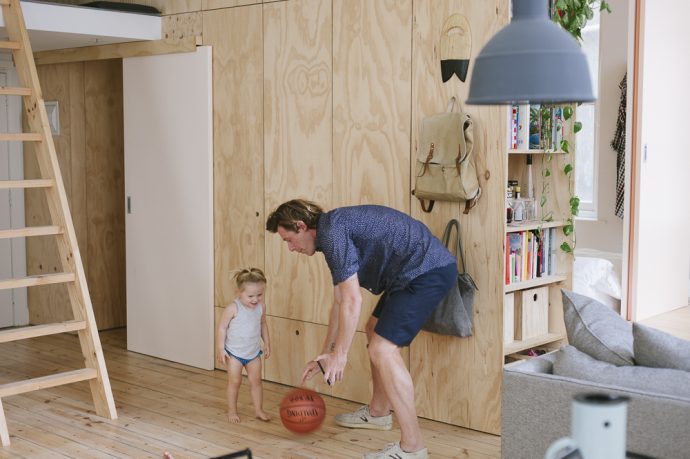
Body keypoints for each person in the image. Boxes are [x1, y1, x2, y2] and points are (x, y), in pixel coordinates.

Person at [266, 200, 457, 459]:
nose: (290, 248)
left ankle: (413, 447)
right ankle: (379, 413)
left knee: (383, 350)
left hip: (426, 271)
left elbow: (353, 301)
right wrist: (327, 354)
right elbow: (339, 301)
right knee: (374, 328)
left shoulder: (333, 233)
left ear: (301, 226)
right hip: (409, 274)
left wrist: (341, 355)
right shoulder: (330, 232)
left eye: (289, 239)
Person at [216, 267, 271, 423]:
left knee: (257, 382)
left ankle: (259, 410)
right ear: (239, 292)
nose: (255, 299)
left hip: (253, 353)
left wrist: (267, 342)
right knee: (235, 382)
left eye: (259, 295)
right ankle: (232, 411)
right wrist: (220, 348)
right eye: (250, 296)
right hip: (234, 354)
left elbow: (263, 324)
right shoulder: (233, 308)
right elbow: (222, 328)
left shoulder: (261, 307)